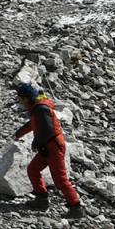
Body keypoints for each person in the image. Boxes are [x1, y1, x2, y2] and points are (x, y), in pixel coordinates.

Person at [14, 82, 82, 217]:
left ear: (26, 98)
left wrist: (36, 143)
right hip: (47, 146)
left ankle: (76, 207)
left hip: (53, 146)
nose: (20, 102)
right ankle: (41, 199)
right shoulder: (37, 108)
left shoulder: (40, 109)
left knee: (60, 179)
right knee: (33, 169)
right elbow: (33, 125)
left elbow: (48, 130)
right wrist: (18, 134)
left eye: (20, 99)